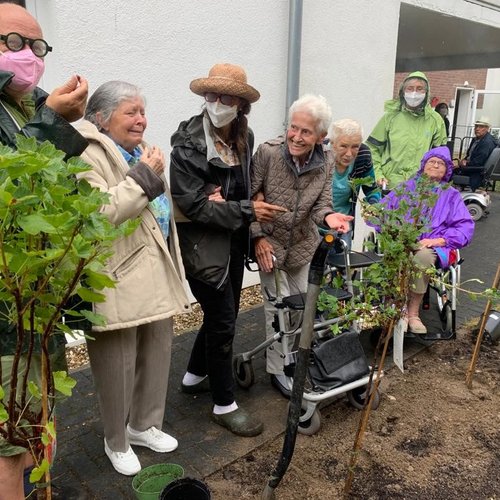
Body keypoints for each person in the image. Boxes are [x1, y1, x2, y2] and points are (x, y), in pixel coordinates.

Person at [77, 81, 191, 476]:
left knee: (158, 350)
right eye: (131, 112)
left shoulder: (140, 151)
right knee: (117, 363)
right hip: (116, 275)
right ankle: (116, 440)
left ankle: (143, 425)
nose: (141, 119)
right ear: (100, 118)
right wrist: (146, 174)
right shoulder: (86, 154)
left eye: (143, 111)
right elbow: (99, 215)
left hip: (155, 266)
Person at [0, 3, 88, 499]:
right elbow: (9, 187)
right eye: (14, 42)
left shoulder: (32, 104)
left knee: (42, 417)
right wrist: (53, 120)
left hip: (42, 303)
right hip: (4, 310)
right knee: (8, 439)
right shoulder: (40, 112)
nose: (28, 56)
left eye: (37, 46)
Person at [170, 63, 285, 437]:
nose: (217, 103)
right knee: (222, 321)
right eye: (211, 96)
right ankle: (224, 404)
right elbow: (195, 207)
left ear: (240, 104)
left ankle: (192, 377)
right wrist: (239, 207)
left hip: (232, 238)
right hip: (204, 247)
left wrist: (233, 208)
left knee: (226, 313)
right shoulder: (187, 144)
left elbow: (238, 190)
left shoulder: (243, 136)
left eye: (226, 97)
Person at [250, 94, 353, 398]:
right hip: (270, 244)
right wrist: (257, 238)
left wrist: (330, 216)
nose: (295, 136)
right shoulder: (268, 153)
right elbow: (249, 200)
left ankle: (294, 358)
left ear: (321, 136)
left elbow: (322, 203)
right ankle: (278, 371)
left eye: (305, 131)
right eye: (293, 128)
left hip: (303, 245)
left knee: (302, 307)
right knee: (277, 309)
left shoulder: (326, 161)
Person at [381, 146, 474, 334]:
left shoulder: (452, 196)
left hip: (433, 246)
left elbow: (465, 227)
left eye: (440, 164)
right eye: (432, 161)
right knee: (395, 253)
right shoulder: (405, 188)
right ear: (423, 165)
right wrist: (394, 231)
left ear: (446, 170)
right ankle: (397, 307)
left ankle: (413, 313)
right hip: (403, 240)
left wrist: (439, 241)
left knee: (422, 258)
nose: (435, 165)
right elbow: (382, 212)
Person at [367, 71, 447, 190]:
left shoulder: (435, 121)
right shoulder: (390, 117)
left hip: (421, 188)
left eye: (419, 89)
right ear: (403, 92)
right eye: (410, 88)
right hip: (391, 185)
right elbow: (372, 148)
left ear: (426, 92)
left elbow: (441, 157)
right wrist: (378, 174)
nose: (414, 93)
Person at [328, 118, 380, 249]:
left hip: (343, 225)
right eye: (343, 146)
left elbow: (371, 189)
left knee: (342, 265)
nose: (349, 154)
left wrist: (373, 205)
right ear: (333, 143)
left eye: (355, 146)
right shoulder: (320, 154)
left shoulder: (363, 155)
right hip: (314, 226)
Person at [456, 117, 497, 191]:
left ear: (487, 128)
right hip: (471, 168)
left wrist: (465, 164)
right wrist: (463, 161)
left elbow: (479, 162)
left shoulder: (487, 142)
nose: (477, 129)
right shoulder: (476, 139)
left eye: (481, 127)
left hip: (476, 173)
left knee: (447, 173)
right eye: (476, 126)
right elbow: (469, 155)